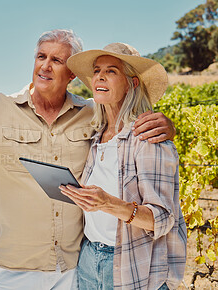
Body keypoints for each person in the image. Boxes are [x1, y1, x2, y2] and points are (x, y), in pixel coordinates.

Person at [0, 30, 176, 289]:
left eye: (56, 60)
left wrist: (167, 126)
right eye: (41, 56)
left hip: (73, 269)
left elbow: (125, 122)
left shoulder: (91, 114)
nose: (45, 65)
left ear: (72, 74)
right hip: (11, 270)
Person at [60, 43, 187, 289]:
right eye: (97, 71)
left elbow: (161, 219)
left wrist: (108, 204)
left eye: (112, 71)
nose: (100, 76)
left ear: (132, 83)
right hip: (88, 259)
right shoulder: (95, 136)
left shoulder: (148, 138)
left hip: (131, 264)